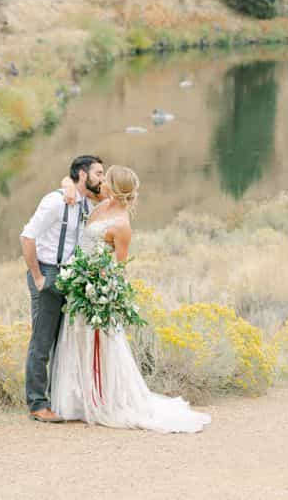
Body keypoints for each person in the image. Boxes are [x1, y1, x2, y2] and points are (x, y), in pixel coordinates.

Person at [49, 165, 210, 432]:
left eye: (106, 179)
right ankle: (77, 400)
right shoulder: (103, 203)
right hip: (78, 281)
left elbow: (119, 266)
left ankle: (103, 400)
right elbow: (75, 184)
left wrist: (100, 288)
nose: (102, 180)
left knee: (97, 344)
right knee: (75, 339)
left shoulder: (122, 225)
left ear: (113, 187)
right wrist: (67, 182)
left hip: (95, 289)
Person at [19, 154, 103, 423]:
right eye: (98, 173)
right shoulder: (55, 201)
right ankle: (37, 404)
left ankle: (58, 399)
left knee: (64, 340)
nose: (102, 179)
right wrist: (38, 277)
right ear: (83, 174)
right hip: (48, 272)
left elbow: (118, 194)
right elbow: (27, 236)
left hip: (72, 277)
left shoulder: (87, 202)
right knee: (42, 342)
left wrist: (69, 182)